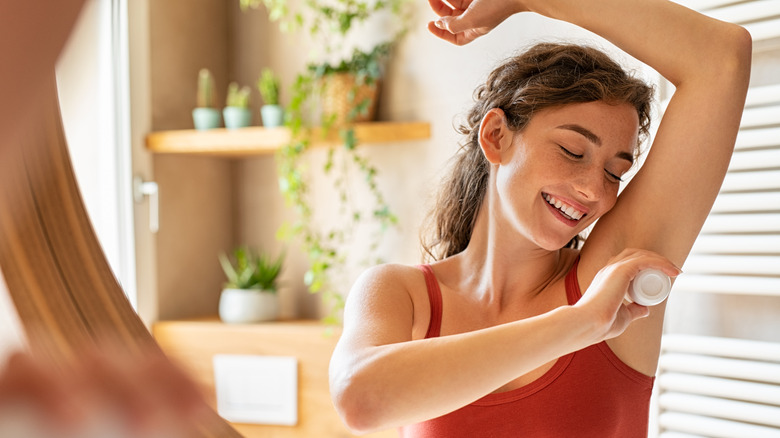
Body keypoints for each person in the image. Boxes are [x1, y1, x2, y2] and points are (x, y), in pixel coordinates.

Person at [329, 0, 751, 436]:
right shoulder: (402, 294)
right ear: (496, 137)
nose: (593, 190)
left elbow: (721, 57)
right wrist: (580, 322)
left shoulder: (608, 277)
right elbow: (360, 399)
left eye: (615, 173)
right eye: (572, 151)